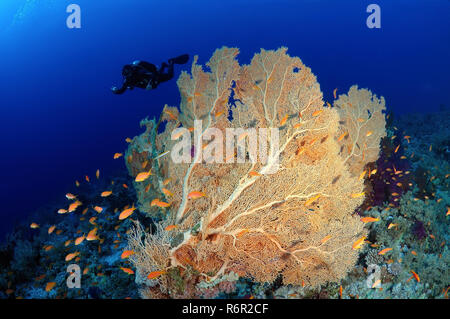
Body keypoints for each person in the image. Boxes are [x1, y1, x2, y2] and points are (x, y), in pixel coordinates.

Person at [111, 54, 189, 94]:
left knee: (170, 76)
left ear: (132, 69)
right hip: (151, 83)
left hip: (153, 77)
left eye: (130, 73)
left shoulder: (138, 68)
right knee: (158, 76)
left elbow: (153, 71)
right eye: (128, 75)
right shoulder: (127, 81)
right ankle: (163, 65)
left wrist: (151, 82)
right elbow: (122, 90)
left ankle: (171, 62)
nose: (130, 75)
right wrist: (115, 91)